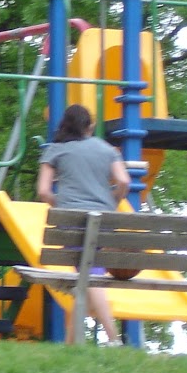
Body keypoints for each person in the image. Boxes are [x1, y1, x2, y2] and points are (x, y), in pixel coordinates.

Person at [36, 104, 131, 344]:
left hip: (71, 223)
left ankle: (113, 339)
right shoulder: (107, 149)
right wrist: (113, 201)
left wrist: (60, 204)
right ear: (90, 126)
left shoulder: (56, 150)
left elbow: (43, 191)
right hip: (104, 222)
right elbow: (123, 181)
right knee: (87, 277)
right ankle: (71, 345)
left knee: (88, 275)